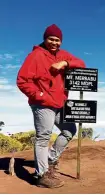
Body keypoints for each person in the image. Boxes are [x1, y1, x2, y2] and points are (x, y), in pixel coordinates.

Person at [16, 24, 86, 188]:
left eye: (57, 40)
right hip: (42, 104)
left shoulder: (63, 55)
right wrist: (40, 95)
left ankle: (49, 160)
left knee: (70, 130)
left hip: (60, 102)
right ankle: (41, 175)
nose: (54, 43)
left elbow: (81, 63)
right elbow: (22, 81)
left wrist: (64, 63)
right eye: (51, 39)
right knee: (43, 137)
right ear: (45, 39)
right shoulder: (35, 56)